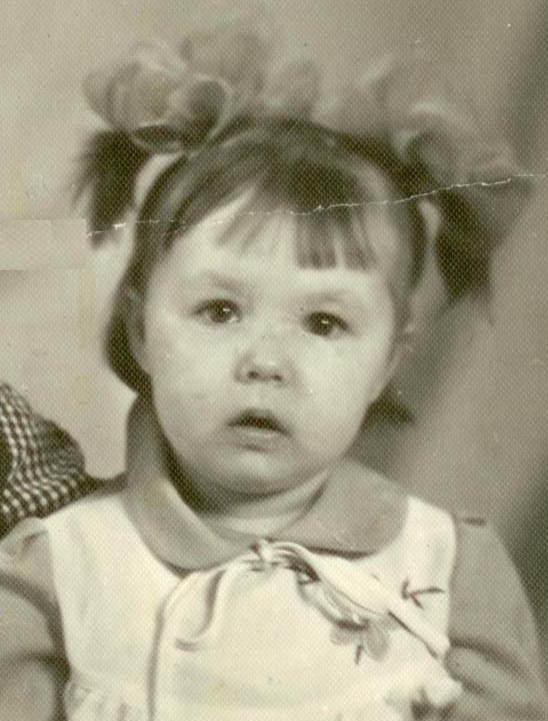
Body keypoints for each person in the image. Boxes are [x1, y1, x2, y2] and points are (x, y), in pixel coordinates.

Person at [0, 16, 546, 720]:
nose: (265, 361)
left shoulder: (449, 570)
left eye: (323, 323)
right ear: (140, 331)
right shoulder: (60, 567)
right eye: (220, 310)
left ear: (387, 362)